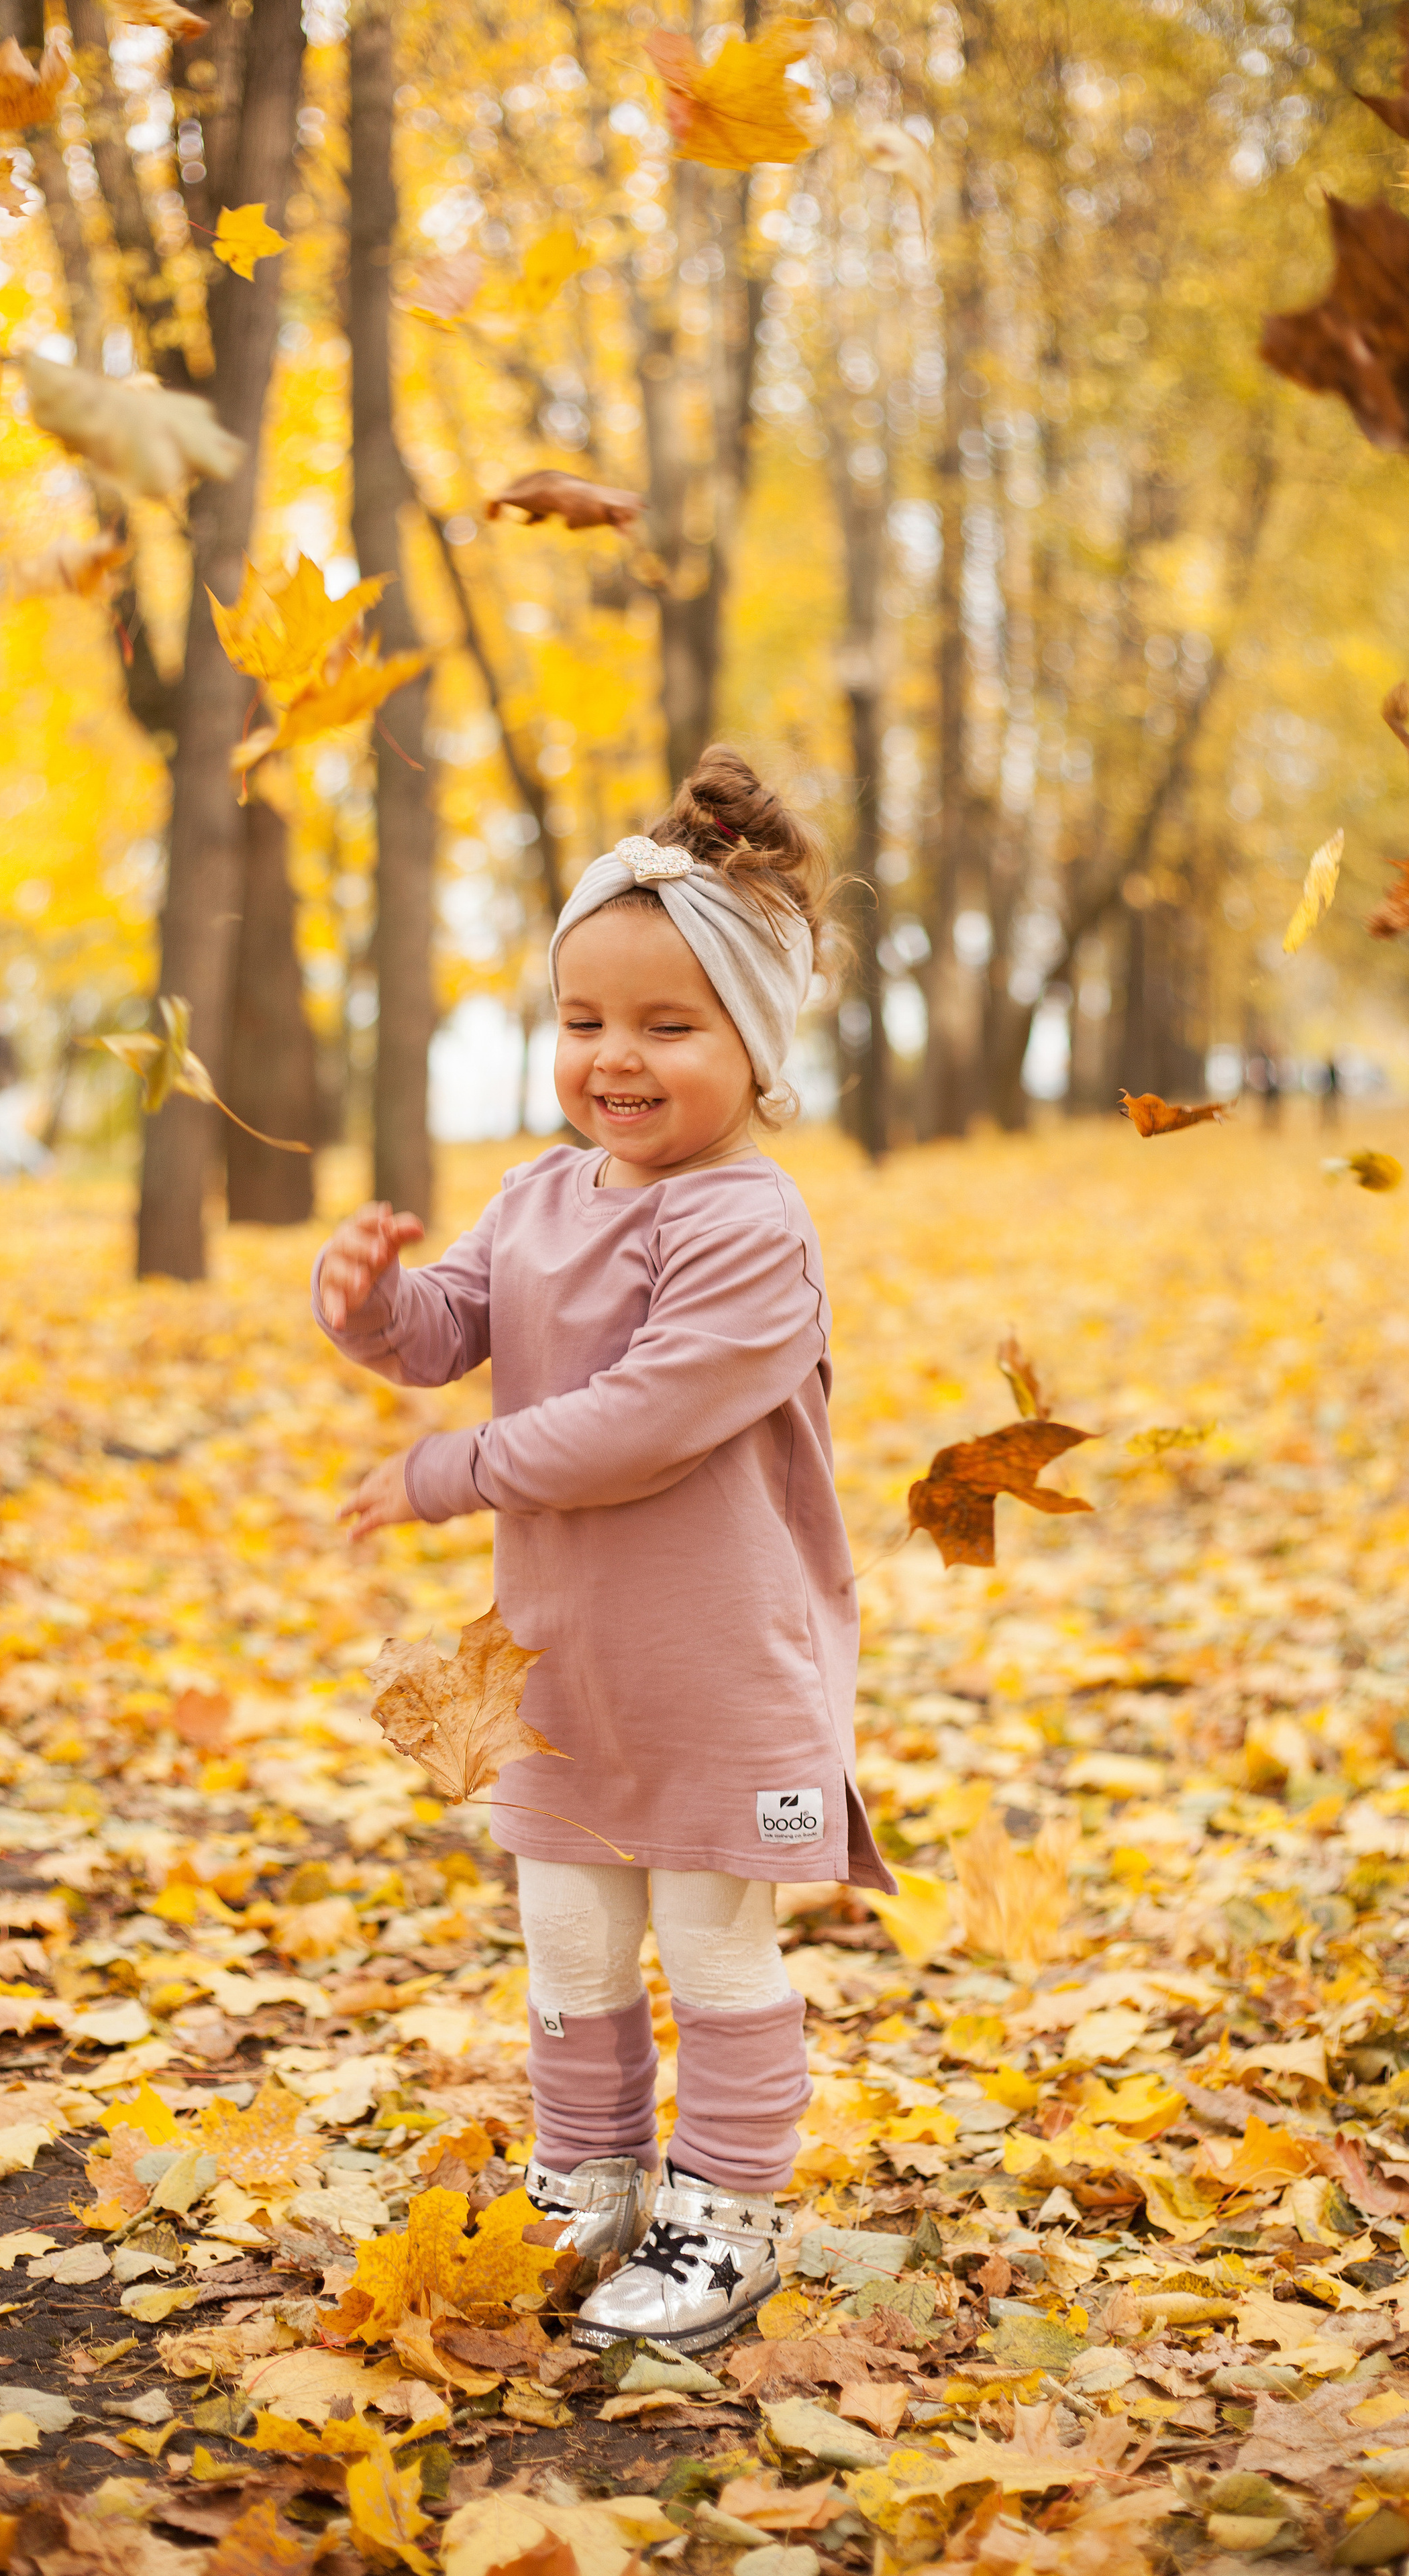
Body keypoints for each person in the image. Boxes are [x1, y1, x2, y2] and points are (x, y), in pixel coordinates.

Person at [313, 745, 893, 2355]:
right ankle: (591, 2176)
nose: (614, 1060)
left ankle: (727, 2210)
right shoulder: (539, 1195)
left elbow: (649, 1417)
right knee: (568, 1932)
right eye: (583, 1022)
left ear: (753, 1046)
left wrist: (455, 1474)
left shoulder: (747, 1223)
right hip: (566, 1667)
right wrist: (368, 1305)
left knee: (712, 1943)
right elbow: (448, 1331)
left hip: (722, 1672)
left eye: (666, 1026)